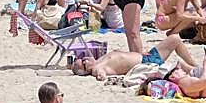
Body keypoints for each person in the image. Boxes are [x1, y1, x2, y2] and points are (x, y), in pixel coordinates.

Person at [70, 35, 198, 79]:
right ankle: (196, 66)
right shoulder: (98, 68)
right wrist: (100, 75)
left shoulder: (99, 60)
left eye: (82, 58)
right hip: (148, 63)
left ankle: (195, 66)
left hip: (146, 56)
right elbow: (101, 75)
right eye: (84, 64)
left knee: (175, 39)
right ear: (86, 71)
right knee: (175, 39)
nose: (85, 59)